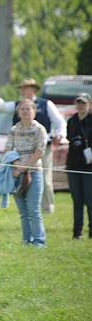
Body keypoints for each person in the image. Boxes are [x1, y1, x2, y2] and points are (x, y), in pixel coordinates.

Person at [0, 78, 67, 213]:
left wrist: (60, 135)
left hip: (42, 149)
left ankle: (47, 208)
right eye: (22, 88)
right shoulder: (18, 104)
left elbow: (60, 122)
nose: (23, 91)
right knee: (21, 177)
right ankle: (26, 206)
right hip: (21, 150)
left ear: (33, 89)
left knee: (45, 179)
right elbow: (3, 107)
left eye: (26, 88)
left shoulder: (46, 104)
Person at [4, 98, 48, 247]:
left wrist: (23, 167)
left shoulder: (39, 129)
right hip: (16, 173)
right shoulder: (14, 129)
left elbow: (39, 151)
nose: (25, 112)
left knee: (34, 209)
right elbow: (8, 150)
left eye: (28, 109)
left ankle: (39, 241)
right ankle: (26, 240)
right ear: (18, 112)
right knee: (23, 211)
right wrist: (17, 167)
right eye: (22, 109)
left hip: (34, 172)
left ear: (34, 111)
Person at [66, 93, 92, 240]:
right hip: (73, 165)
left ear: (89, 104)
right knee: (77, 201)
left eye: (83, 103)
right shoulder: (71, 121)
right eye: (78, 103)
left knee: (90, 200)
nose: (81, 106)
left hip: (89, 166)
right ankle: (77, 233)